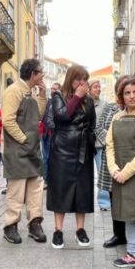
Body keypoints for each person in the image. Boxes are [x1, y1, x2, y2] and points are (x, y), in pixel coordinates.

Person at [46, 64, 97, 248]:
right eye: (78, 79)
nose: (82, 83)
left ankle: (80, 230)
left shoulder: (89, 101)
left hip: (83, 150)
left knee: (82, 190)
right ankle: (58, 231)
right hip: (62, 151)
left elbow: (92, 124)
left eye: (84, 79)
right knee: (60, 189)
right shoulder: (58, 96)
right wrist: (77, 97)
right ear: (70, 79)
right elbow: (61, 117)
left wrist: (90, 142)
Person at [106, 76, 135, 269]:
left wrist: (126, 172)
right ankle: (132, 252)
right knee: (127, 215)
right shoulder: (116, 117)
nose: (131, 96)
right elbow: (109, 146)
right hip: (119, 174)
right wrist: (114, 169)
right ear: (121, 96)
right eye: (127, 93)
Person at [2, 58, 48, 244]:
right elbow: (8, 121)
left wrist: (43, 95)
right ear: (32, 74)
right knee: (16, 190)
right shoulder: (13, 92)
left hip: (33, 150)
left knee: (35, 190)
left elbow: (39, 115)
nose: (42, 76)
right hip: (17, 151)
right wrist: (24, 139)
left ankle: (35, 224)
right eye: (40, 72)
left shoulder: (31, 92)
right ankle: (10, 226)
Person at [96, 85, 128, 249]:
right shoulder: (110, 108)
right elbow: (99, 127)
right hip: (110, 157)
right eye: (122, 91)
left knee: (130, 197)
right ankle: (118, 234)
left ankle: (134, 236)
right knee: (113, 196)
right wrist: (111, 142)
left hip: (129, 159)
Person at [90, 80, 111, 211]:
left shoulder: (105, 105)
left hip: (100, 144)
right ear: (89, 89)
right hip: (86, 145)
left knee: (102, 173)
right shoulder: (84, 103)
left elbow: (107, 124)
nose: (98, 89)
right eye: (95, 87)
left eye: (99, 87)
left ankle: (104, 202)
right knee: (85, 175)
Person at [41, 81, 60, 182]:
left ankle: (52, 179)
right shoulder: (48, 101)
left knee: (53, 158)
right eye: (52, 89)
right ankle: (46, 179)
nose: (53, 91)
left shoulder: (61, 102)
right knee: (45, 158)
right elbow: (44, 117)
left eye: (55, 89)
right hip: (46, 134)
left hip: (55, 135)